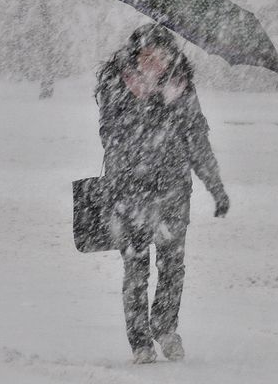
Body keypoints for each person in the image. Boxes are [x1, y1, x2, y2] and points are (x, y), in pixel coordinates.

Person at [95, 24, 230, 364]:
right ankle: (140, 341)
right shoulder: (117, 83)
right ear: (136, 55)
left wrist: (215, 185)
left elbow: (197, 138)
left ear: (172, 55)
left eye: (162, 54)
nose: (155, 60)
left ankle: (166, 328)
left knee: (172, 266)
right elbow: (110, 135)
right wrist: (147, 110)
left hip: (172, 190)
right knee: (136, 267)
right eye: (147, 54)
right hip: (130, 190)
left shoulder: (181, 87)